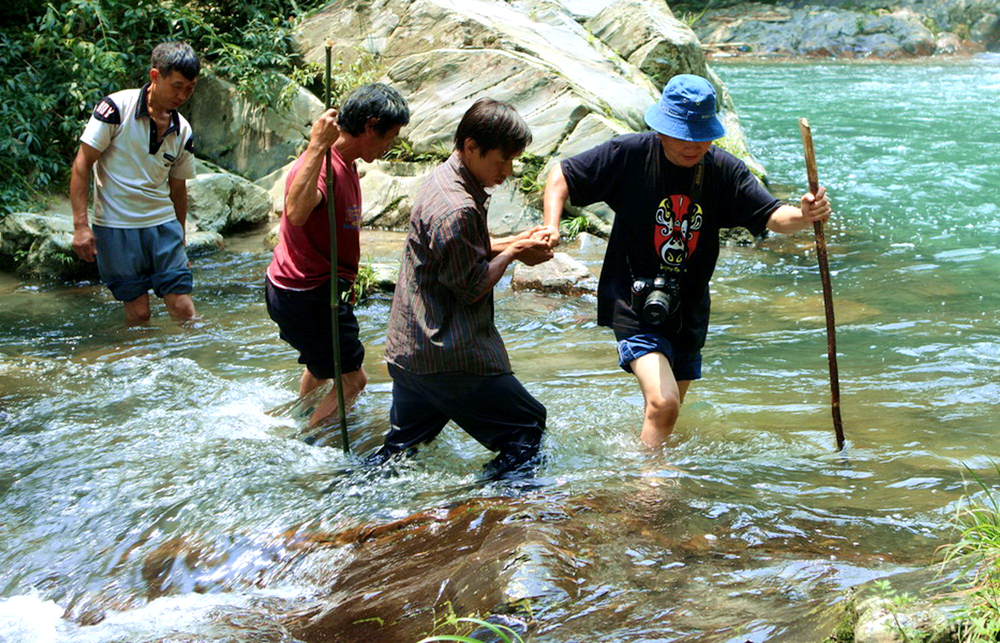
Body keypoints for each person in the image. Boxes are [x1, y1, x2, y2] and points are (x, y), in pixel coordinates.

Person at [540, 74, 832, 448]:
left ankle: (636, 459)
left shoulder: (724, 170)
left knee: (666, 412)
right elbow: (562, 174)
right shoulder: (629, 155)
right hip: (634, 299)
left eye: (701, 136)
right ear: (661, 128)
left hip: (688, 307)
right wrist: (551, 225)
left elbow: (772, 216)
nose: (693, 145)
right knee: (663, 403)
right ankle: (650, 478)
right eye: (682, 135)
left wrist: (805, 215)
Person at [371, 98, 553, 480]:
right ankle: (494, 505)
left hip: (410, 351)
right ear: (471, 147)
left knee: (402, 451)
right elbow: (471, 287)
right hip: (447, 356)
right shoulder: (459, 208)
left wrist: (514, 241)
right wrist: (515, 252)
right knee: (526, 427)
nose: (507, 171)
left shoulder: (442, 178)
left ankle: (347, 496)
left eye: (512, 161)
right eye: (501, 161)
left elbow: (461, 251)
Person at [266, 83, 410, 429]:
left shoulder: (345, 163)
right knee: (352, 381)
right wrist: (317, 145)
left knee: (321, 368)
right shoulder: (323, 165)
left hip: (300, 291)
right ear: (370, 126)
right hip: (309, 295)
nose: (390, 146)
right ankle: (306, 443)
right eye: (390, 136)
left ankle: (299, 420)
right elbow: (296, 212)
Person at [71, 42, 201, 325]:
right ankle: (141, 355)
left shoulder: (183, 130)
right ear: (155, 76)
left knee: (183, 309)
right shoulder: (115, 109)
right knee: (139, 313)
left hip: (163, 225)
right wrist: (81, 226)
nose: (182, 96)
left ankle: (201, 351)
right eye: (177, 86)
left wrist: (180, 238)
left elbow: (178, 189)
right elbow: (82, 163)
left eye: (190, 89)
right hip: (116, 226)